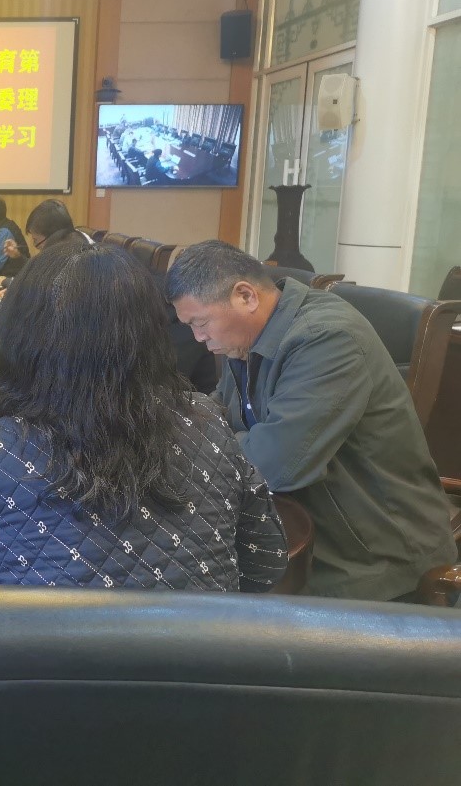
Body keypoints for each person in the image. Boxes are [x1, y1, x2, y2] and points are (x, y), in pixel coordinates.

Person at [0, 243, 288, 591]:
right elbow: (266, 563)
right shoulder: (210, 424)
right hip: (195, 667)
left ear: (17, 336)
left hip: (31, 671)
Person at [167, 240, 455, 600]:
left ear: (245, 296)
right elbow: (220, 413)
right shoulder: (248, 336)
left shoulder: (327, 339)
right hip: (298, 525)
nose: (198, 337)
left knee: (195, 599)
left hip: (372, 557)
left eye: (201, 323)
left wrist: (203, 445)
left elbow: (275, 465)